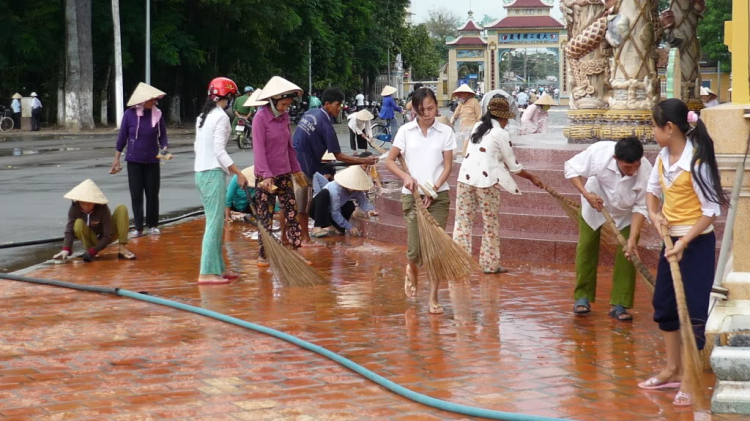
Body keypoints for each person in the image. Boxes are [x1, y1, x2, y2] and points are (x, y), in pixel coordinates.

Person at [639, 99, 728, 406]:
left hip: (695, 244)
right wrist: (655, 215)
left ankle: (690, 379)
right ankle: (672, 368)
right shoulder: (663, 156)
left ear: (669, 128)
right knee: (664, 304)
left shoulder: (697, 162)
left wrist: (684, 241)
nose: (651, 132)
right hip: (671, 241)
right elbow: (652, 193)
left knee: (693, 314)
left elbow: (710, 212)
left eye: (653, 125)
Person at [565, 137, 653, 321]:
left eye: (635, 166)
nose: (632, 171)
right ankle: (583, 296)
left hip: (627, 210)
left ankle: (619, 304)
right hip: (595, 202)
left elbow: (642, 206)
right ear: (615, 158)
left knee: (629, 253)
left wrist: (633, 237)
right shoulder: (599, 153)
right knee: (586, 246)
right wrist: (586, 194)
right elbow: (571, 168)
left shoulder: (645, 170)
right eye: (627, 167)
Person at [385, 88, 456, 315]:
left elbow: (447, 166)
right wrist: (405, 176)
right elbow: (389, 160)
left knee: (434, 250)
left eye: (431, 108)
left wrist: (433, 189)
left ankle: (434, 297)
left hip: (438, 197)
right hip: (412, 197)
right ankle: (412, 269)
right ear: (414, 109)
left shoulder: (445, 131)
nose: (427, 113)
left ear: (437, 105)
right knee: (415, 250)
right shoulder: (406, 131)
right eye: (421, 109)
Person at [454, 98, 542, 273]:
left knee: (462, 224)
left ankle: (460, 263)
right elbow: (514, 167)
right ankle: (489, 265)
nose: (507, 122)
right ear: (503, 118)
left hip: (464, 180)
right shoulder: (500, 134)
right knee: (490, 225)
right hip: (487, 184)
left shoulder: (478, 126)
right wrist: (532, 177)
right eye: (507, 119)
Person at [293, 88, 378, 243]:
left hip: (298, 162)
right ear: (327, 104)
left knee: (303, 203)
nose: (339, 109)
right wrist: (364, 161)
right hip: (304, 169)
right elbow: (338, 155)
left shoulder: (310, 113)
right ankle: (307, 236)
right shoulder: (325, 123)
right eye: (337, 105)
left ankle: (311, 232)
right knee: (303, 204)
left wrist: (371, 210)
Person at [194, 76, 249, 284]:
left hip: (201, 172)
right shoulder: (222, 117)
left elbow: (197, 148)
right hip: (212, 173)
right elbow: (219, 151)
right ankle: (207, 272)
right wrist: (238, 172)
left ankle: (219, 267)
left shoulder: (202, 116)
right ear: (228, 96)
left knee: (214, 222)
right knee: (214, 224)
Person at [253, 76, 308, 267]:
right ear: (273, 101)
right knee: (265, 216)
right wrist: (266, 175)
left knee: (292, 213)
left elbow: (289, 147)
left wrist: (297, 170)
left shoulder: (284, 118)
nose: (286, 108)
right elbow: (259, 149)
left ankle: (295, 249)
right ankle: (263, 254)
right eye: (283, 104)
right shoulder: (260, 118)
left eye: (288, 104)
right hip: (265, 177)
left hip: (284, 173)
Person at [111, 82, 168, 238]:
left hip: (152, 160)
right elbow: (122, 138)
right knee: (136, 195)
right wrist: (116, 159)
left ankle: (153, 225)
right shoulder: (129, 115)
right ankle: (138, 228)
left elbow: (162, 135)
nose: (155, 102)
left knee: (152, 194)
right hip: (134, 161)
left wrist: (164, 148)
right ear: (143, 100)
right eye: (152, 99)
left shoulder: (158, 114)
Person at [53, 179, 136, 263]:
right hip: (90, 238)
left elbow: (108, 235)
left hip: (105, 237)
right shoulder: (74, 208)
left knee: (121, 208)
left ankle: (122, 248)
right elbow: (69, 231)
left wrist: (94, 250)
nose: (86, 206)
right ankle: (89, 250)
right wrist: (66, 250)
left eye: (90, 203)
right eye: (83, 203)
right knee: (78, 223)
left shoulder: (102, 208)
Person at [309, 165, 378, 238]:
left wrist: (370, 210)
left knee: (350, 205)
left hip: (330, 212)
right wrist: (350, 227)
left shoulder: (357, 191)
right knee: (324, 193)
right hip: (317, 210)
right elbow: (335, 212)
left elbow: (363, 202)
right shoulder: (335, 189)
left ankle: (334, 227)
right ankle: (317, 227)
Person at [449, 84, 482, 158]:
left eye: (461, 94)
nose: (459, 96)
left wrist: (479, 129)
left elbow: (479, 116)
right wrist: (451, 123)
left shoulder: (474, 102)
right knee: (462, 147)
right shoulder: (461, 103)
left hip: (472, 130)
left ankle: (467, 162)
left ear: (467, 94)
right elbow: (455, 115)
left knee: (467, 148)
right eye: (459, 94)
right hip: (463, 130)